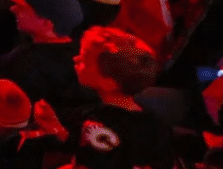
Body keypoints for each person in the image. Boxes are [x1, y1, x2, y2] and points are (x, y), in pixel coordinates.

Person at [62, 26, 174, 169]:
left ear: (109, 83)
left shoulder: (99, 125)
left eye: (85, 61)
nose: (75, 58)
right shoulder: (156, 123)